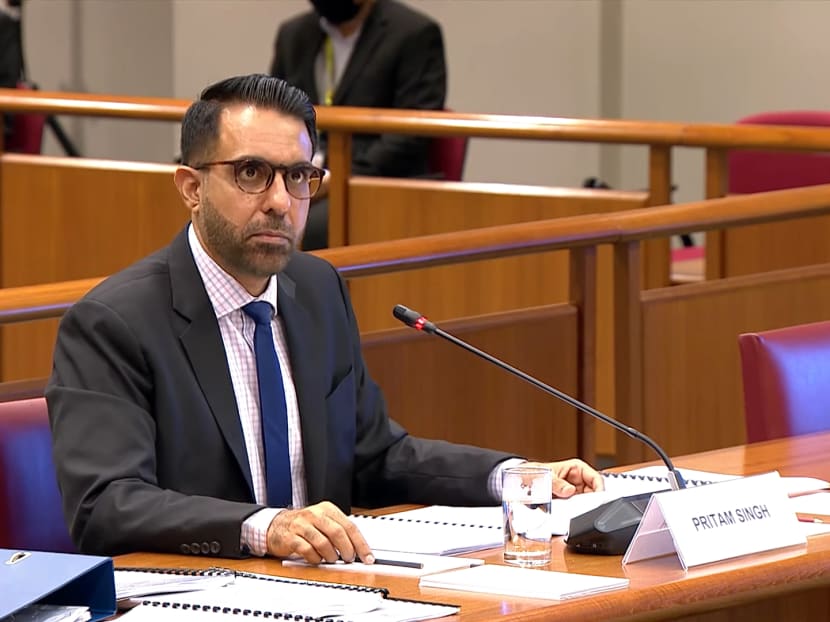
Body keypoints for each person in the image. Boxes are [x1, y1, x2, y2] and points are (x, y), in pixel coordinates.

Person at [46, 73, 603, 564]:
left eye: (297, 177)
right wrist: (267, 528)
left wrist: (516, 479)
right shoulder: (114, 323)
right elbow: (106, 503)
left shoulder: (316, 290)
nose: (280, 202)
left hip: (329, 591)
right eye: (250, 173)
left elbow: (375, 455)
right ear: (191, 188)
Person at [270, 0, 447, 250]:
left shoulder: (414, 33)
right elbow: (275, 116)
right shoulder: (293, 35)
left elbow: (413, 132)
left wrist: (335, 178)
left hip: (376, 182)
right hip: (299, 178)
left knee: (308, 227)